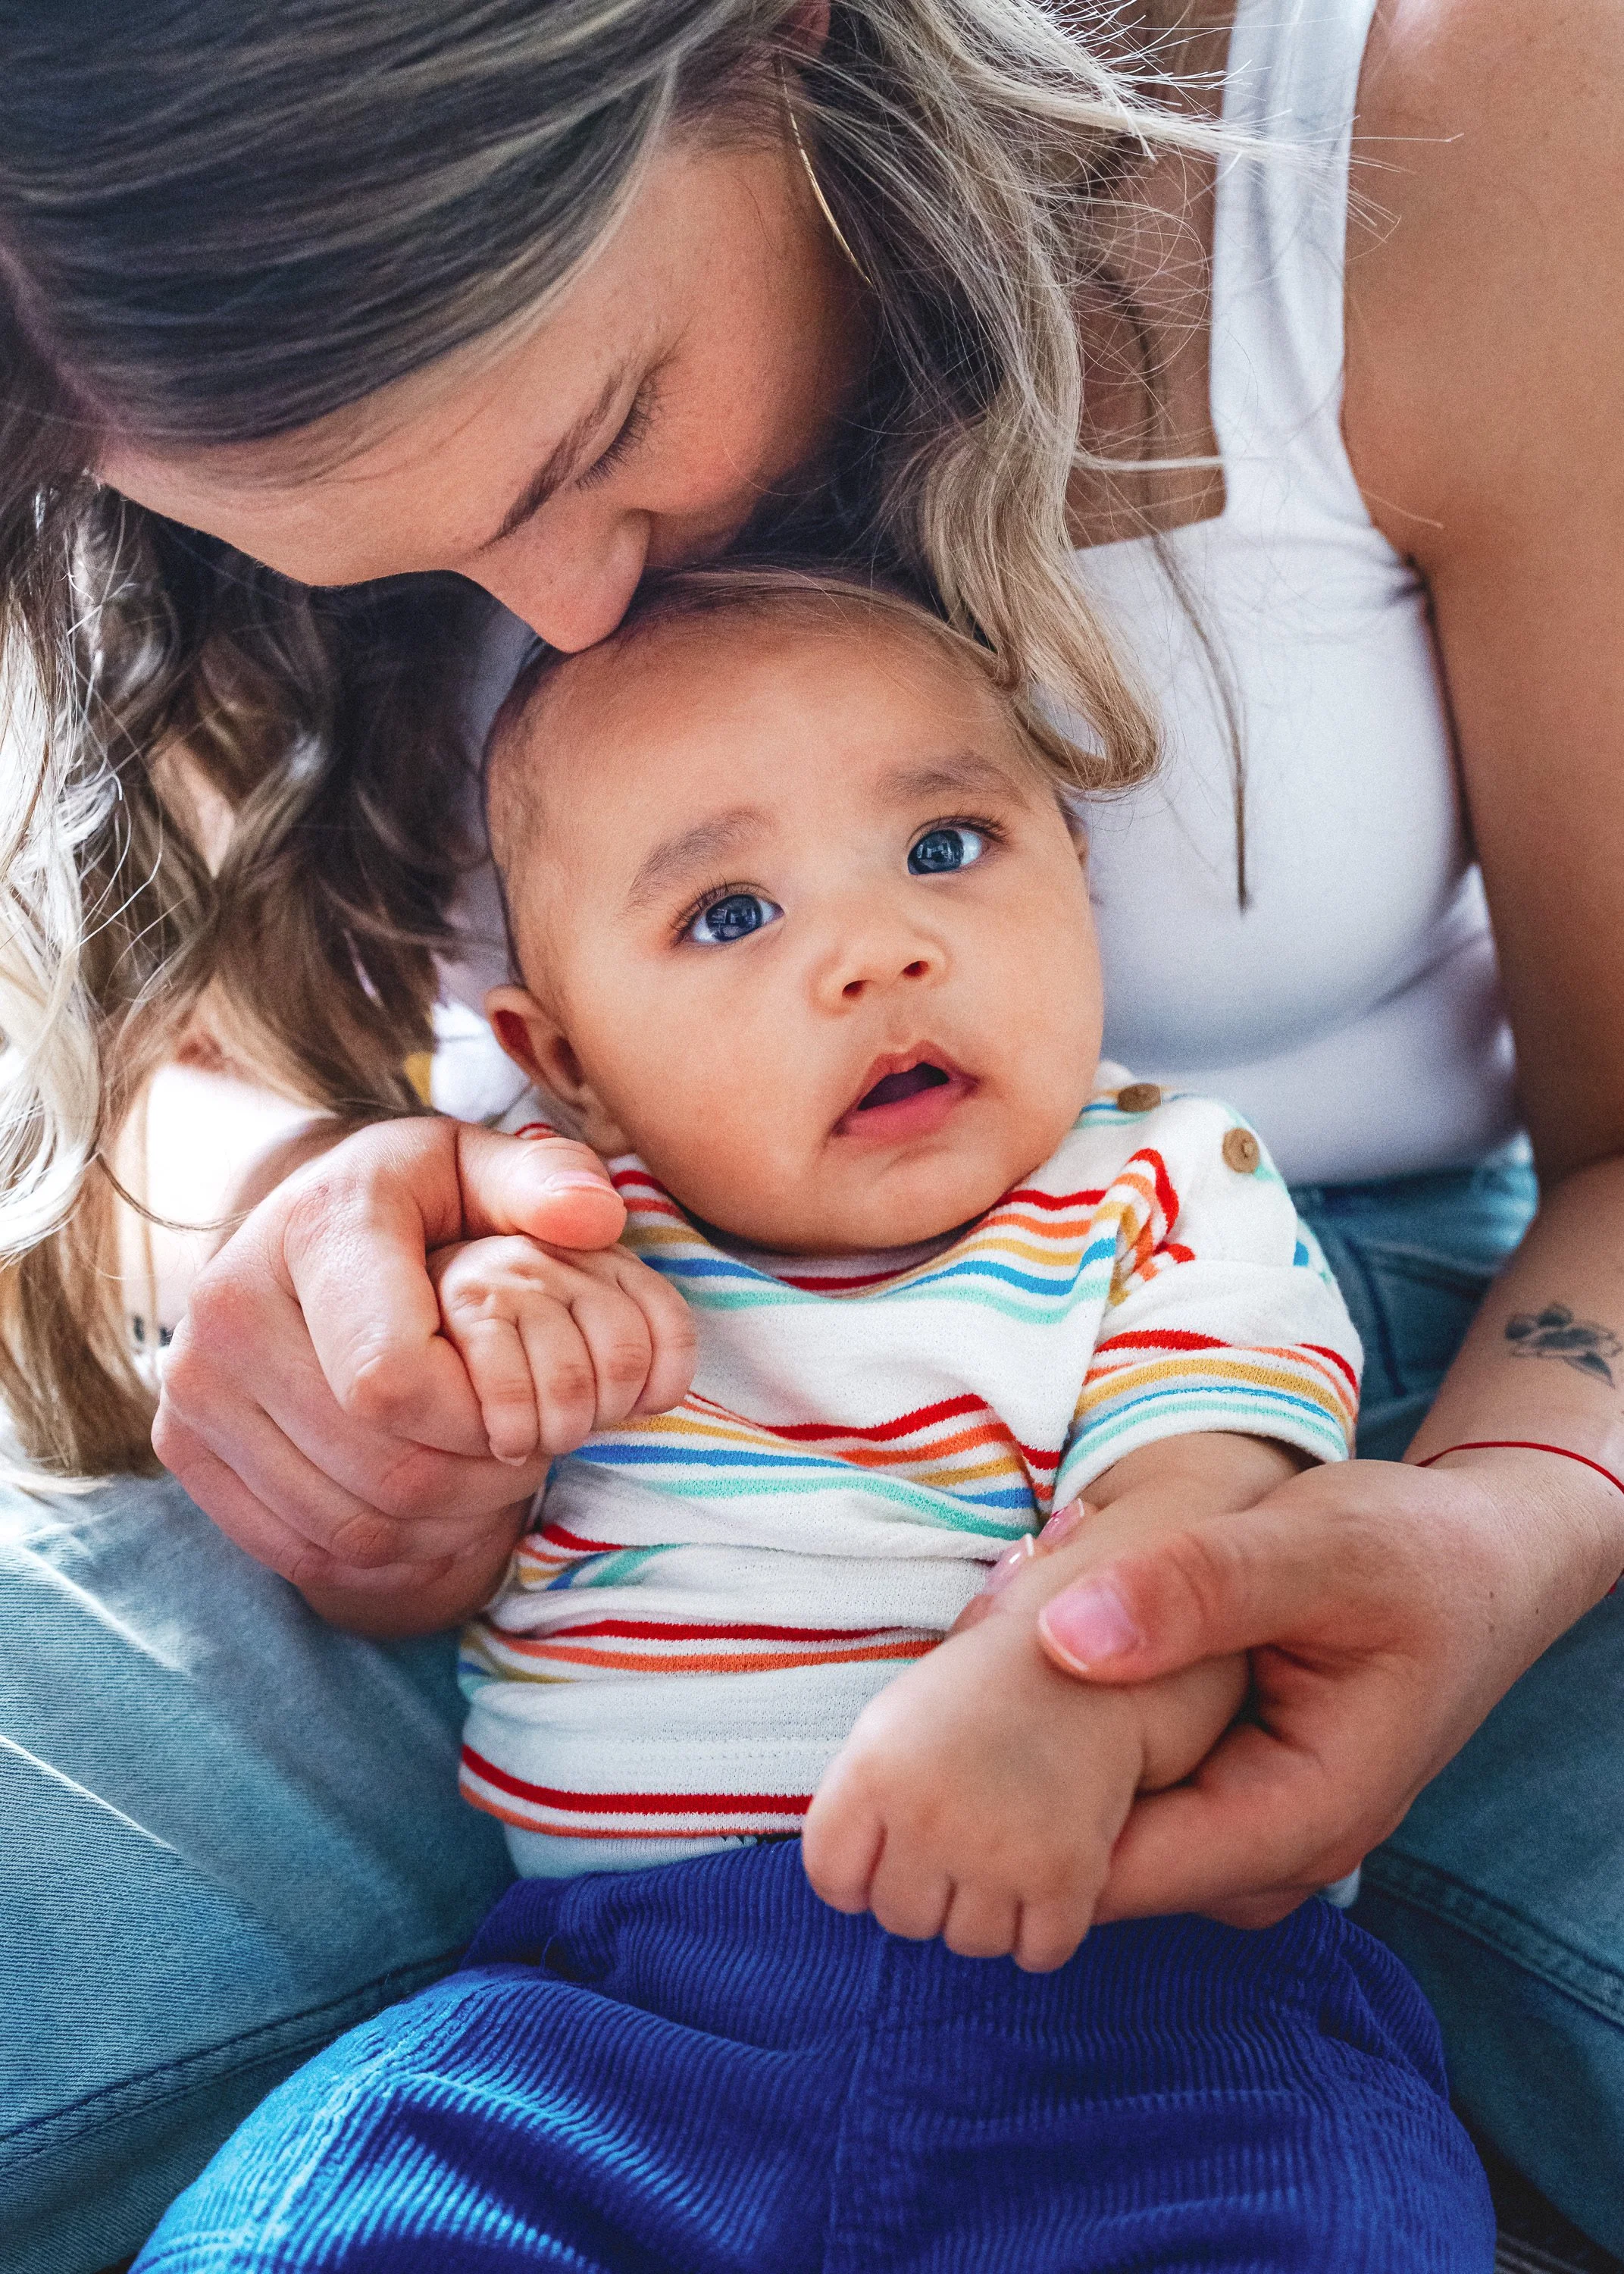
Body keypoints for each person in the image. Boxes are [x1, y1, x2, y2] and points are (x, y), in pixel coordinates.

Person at [2, 0, 1622, 2265]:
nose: (564, 610)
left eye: (600, 433)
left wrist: (1495, 1534)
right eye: (389, 566)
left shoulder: (1453, 115)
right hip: (610, 1423)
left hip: (1455, 1380)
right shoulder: (83, 276)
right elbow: (223, 1043)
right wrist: (313, 1257)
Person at [133, 571, 1493, 2271]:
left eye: (945, 849)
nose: (879, 949)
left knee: (1336, 2216)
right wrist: (470, 1410)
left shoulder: (1159, 1190)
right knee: (324, 2220)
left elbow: (1208, 1497)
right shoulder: (557, 1231)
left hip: (1154, 2010)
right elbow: (384, 1576)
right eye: (727, 915)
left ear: (1074, 876)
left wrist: (1061, 1700)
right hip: (614, 2008)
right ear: (568, 1058)